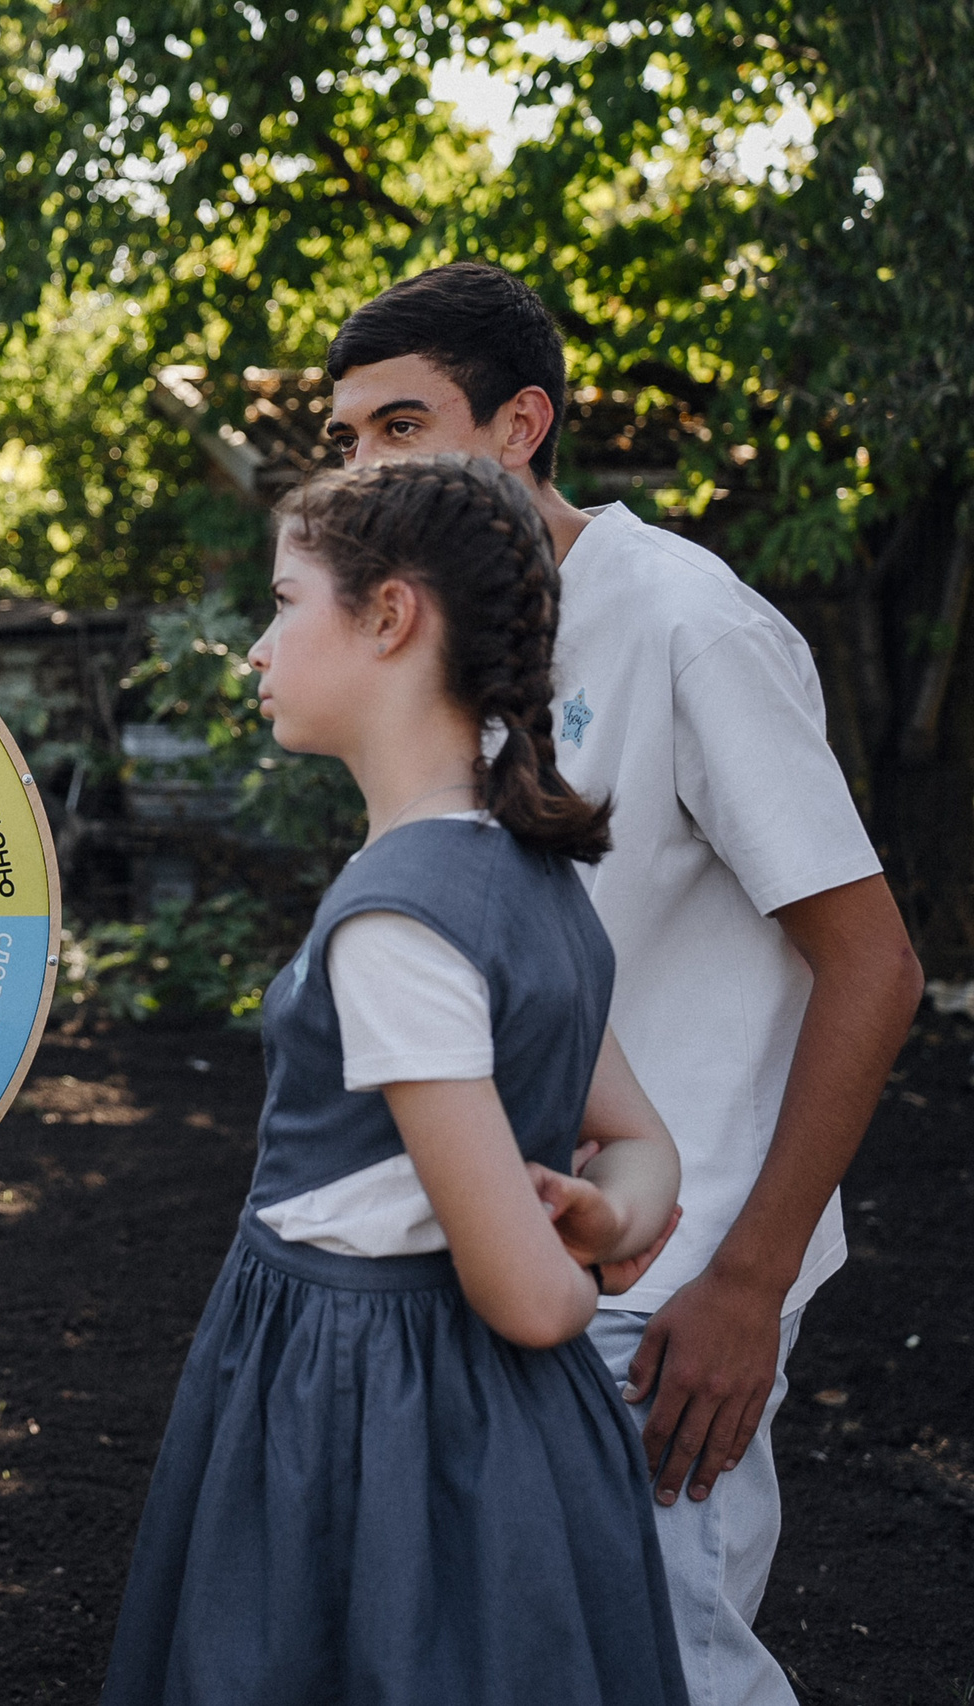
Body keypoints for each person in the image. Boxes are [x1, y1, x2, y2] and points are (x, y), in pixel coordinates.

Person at [323, 262, 923, 1706]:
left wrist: (748, 1281)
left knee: (667, 1667)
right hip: (507, 1248)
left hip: (673, 1282)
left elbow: (875, 964)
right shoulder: (441, 645)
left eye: (402, 426)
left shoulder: (686, 623)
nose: (362, 469)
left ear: (521, 423)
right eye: (345, 439)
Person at [102, 455, 690, 1704]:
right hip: (515, 1432)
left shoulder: (396, 920)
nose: (257, 647)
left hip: (376, 1413)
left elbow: (527, 1300)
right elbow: (642, 1141)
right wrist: (613, 1217)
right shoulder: (525, 871)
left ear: (388, 616)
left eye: (283, 602)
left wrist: (575, 1273)